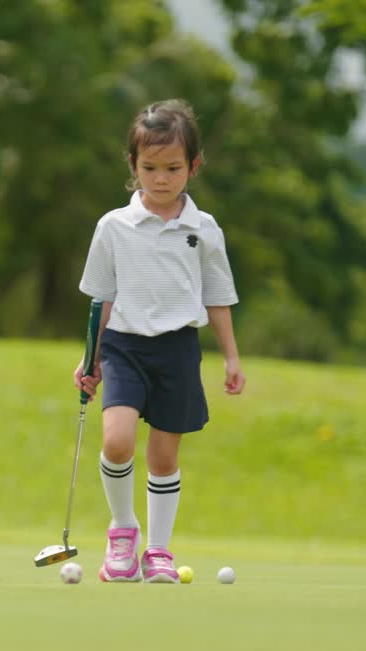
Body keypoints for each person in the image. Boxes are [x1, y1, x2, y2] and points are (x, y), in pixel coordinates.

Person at [74, 99, 245, 583]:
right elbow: (100, 299)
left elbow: (217, 297)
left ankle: (158, 551)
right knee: (118, 440)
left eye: (173, 168)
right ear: (133, 166)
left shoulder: (204, 230)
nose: (161, 178)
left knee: (164, 456)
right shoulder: (113, 227)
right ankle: (123, 532)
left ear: (193, 166)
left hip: (177, 350)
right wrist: (90, 358)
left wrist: (231, 357)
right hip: (124, 347)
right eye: (149, 167)